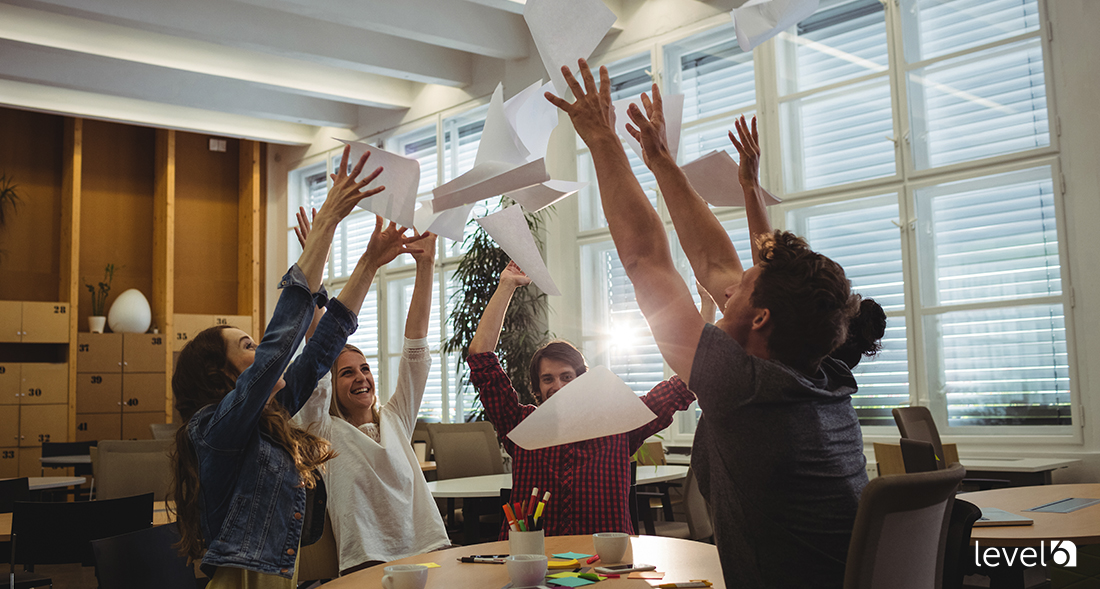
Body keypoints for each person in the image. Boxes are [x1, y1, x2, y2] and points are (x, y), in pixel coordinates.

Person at [546, 60, 883, 588]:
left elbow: (645, 262)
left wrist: (601, 140)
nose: (729, 283)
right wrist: (659, 161)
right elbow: (715, 265)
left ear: (761, 318)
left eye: (746, 283)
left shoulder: (747, 389)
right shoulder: (821, 374)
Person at [170, 145, 424, 587]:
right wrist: (326, 223)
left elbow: (325, 345)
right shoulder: (215, 431)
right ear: (223, 377)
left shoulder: (272, 414)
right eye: (246, 346)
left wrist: (368, 262)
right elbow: (276, 352)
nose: (261, 352)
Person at [466, 261, 696, 538]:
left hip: (604, 561)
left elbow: (684, 384)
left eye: (566, 377)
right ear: (536, 389)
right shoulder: (519, 424)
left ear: (583, 380)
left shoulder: (618, 424)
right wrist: (507, 285)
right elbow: (481, 357)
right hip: (533, 559)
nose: (558, 386)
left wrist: (704, 311)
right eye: (548, 379)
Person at [292, 223, 450, 575]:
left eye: (364, 369)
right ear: (332, 386)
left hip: (429, 551)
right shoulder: (323, 430)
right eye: (347, 373)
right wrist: (315, 262)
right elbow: (317, 357)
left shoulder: (394, 419)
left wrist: (425, 265)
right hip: (369, 562)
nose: (362, 377)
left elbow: (416, 347)